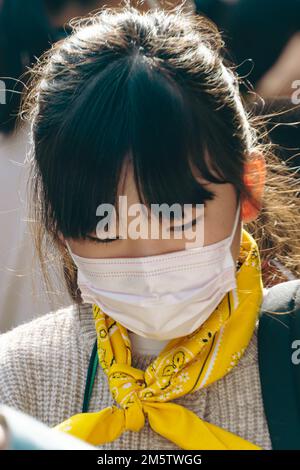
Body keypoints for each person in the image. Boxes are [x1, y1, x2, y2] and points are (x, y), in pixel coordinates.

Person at [0, 5, 299, 450]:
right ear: (61, 231)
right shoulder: (15, 384)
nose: (147, 259)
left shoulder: (288, 361)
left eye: (176, 216)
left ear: (247, 189)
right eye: (105, 227)